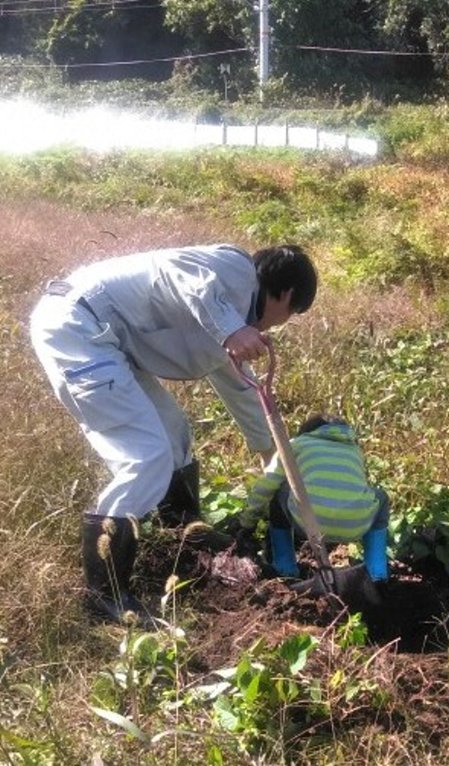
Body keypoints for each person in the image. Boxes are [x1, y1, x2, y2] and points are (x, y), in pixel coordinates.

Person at [29, 243, 318, 624]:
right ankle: (105, 595)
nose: (276, 325)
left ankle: (184, 537)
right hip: (77, 328)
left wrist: (273, 462)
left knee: (174, 434)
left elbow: (242, 391)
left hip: (110, 343)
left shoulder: (230, 315)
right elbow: (179, 273)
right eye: (287, 316)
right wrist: (231, 330)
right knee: (145, 455)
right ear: (286, 294)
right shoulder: (233, 271)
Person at [236, 414, 390, 586]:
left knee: (280, 490)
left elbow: (266, 484)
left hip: (307, 524)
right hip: (355, 526)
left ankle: (285, 569)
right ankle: (376, 573)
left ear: (307, 431)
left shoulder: (295, 445)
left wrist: (247, 523)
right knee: (381, 497)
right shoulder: (354, 450)